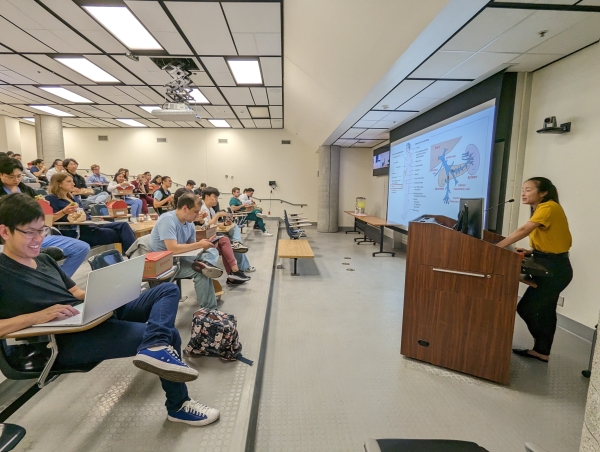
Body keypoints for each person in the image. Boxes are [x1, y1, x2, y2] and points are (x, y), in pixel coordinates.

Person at [0, 193, 219, 426]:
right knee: (171, 335)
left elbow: (75, 293)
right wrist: (38, 316)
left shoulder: (44, 260)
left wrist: (110, 291)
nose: (38, 239)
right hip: (65, 338)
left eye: (42, 231)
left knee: (166, 290)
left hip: (90, 313)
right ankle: (177, 405)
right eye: (30, 233)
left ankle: (154, 346)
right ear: (5, 232)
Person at [496, 177, 573, 363]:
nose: (523, 193)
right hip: (550, 263)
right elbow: (552, 240)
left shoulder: (548, 207)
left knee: (527, 309)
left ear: (543, 192)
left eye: (528, 189)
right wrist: (531, 251)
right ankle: (541, 350)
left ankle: (541, 346)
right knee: (546, 311)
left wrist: (496, 247)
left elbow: (524, 230)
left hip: (554, 269)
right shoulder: (542, 208)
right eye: (523, 189)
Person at [0, 158, 90, 277]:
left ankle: (59, 281)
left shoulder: (27, 190)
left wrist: (43, 206)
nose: (16, 180)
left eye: (19, 176)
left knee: (81, 247)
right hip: (11, 238)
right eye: (11, 177)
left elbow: (44, 217)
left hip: (35, 234)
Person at [149, 193, 236, 309]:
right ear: (185, 208)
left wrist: (203, 244)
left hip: (181, 258)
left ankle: (205, 265)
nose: (197, 215)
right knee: (201, 272)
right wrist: (199, 244)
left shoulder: (189, 223)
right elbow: (173, 249)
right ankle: (209, 310)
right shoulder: (167, 220)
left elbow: (190, 245)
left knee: (212, 251)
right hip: (165, 264)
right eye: (195, 212)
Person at [46, 173, 136, 252]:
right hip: (79, 231)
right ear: (59, 184)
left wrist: (95, 219)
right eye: (69, 181)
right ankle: (136, 257)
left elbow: (84, 214)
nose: (73, 184)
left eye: (72, 181)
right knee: (123, 234)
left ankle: (135, 257)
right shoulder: (51, 199)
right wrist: (63, 212)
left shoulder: (74, 198)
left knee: (124, 225)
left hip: (90, 225)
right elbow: (48, 221)